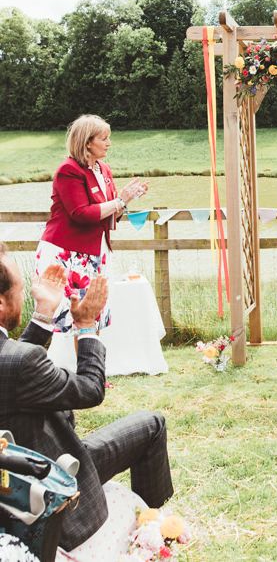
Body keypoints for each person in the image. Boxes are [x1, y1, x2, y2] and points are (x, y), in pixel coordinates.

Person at [0, 242, 174, 552]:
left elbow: (11, 365)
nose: (24, 294)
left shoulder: (12, 362)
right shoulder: (21, 363)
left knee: (147, 426)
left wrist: (43, 315)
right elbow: (91, 389)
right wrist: (86, 325)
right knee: (153, 425)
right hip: (56, 480)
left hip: (14, 481)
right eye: (21, 288)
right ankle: (156, 528)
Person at [36, 114, 148, 365]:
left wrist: (127, 199)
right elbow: (81, 214)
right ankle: (50, 367)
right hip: (67, 252)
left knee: (94, 310)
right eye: (103, 139)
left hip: (95, 251)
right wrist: (120, 200)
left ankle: (92, 371)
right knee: (71, 313)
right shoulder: (69, 171)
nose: (109, 143)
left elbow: (109, 215)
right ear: (87, 142)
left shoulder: (104, 169)